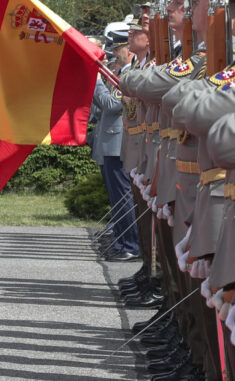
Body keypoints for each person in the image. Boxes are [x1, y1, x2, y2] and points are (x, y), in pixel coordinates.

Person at [93, 30, 141, 263]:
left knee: (123, 196)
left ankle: (130, 244)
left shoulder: (129, 74)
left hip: (119, 142)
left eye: (117, 49)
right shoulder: (121, 74)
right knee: (118, 196)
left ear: (128, 52)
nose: (114, 54)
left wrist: (94, 79)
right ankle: (123, 241)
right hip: (112, 142)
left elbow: (112, 104)